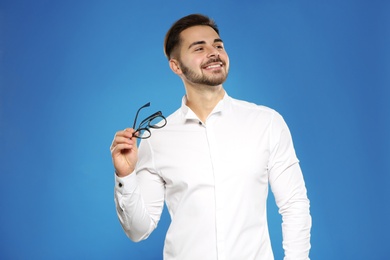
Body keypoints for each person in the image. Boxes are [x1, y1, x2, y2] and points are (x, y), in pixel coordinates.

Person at [110, 14, 312, 260]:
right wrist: (126, 176)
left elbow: (294, 205)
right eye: (199, 48)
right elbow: (138, 230)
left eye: (218, 45)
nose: (214, 52)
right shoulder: (157, 137)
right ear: (176, 66)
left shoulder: (266, 122)